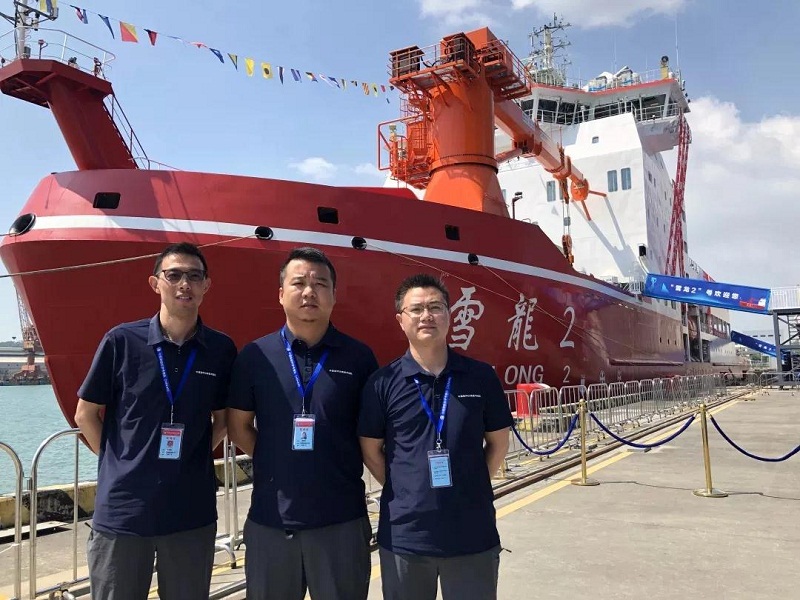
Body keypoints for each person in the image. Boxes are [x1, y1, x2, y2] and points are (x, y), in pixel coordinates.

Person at [75, 242, 237, 600]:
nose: (185, 284)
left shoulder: (221, 349)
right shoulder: (121, 341)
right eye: (174, 275)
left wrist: (192, 453)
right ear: (155, 283)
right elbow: (85, 414)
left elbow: (224, 419)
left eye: (194, 276)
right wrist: (120, 462)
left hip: (190, 511)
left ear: (206, 285)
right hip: (123, 512)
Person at [227, 246, 378, 600]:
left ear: (334, 296)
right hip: (271, 522)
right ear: (281, 294)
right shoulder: (256, 356)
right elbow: (238, 426)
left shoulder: (359, 357)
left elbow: (372, 435)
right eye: (299, 283)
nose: (309, 291)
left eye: (320, 284)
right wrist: (276, 457)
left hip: (341, 522)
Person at [359, 273, 512, 600]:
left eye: (435, 307)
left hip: (472, 532)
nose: (426, 316)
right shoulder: (382, 383)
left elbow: (499, 442)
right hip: (406, 535)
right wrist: (405, 489)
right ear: (401, 320)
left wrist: (471, 485)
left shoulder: (480, 376)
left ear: (449, 315)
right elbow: (370, 449)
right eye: (416, 309)